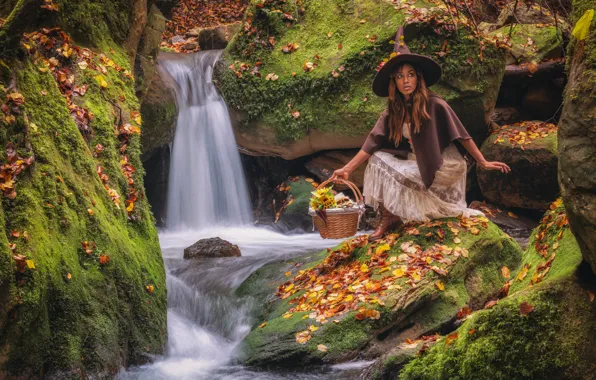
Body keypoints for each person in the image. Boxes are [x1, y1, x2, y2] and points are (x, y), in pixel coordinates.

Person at [331, 26, 511, 241]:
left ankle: (395, 216)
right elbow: (372, 142)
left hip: (444, 165)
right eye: (400, 76)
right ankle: (388, 217)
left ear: (418, 78)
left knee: (389, 168)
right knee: (378, 159)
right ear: (394, 82)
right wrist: (347, 168)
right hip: (415, 162)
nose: (406, 81)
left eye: (410, 75)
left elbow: (462, 135)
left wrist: (482, 161)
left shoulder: (435, 104)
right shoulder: (394, 110)